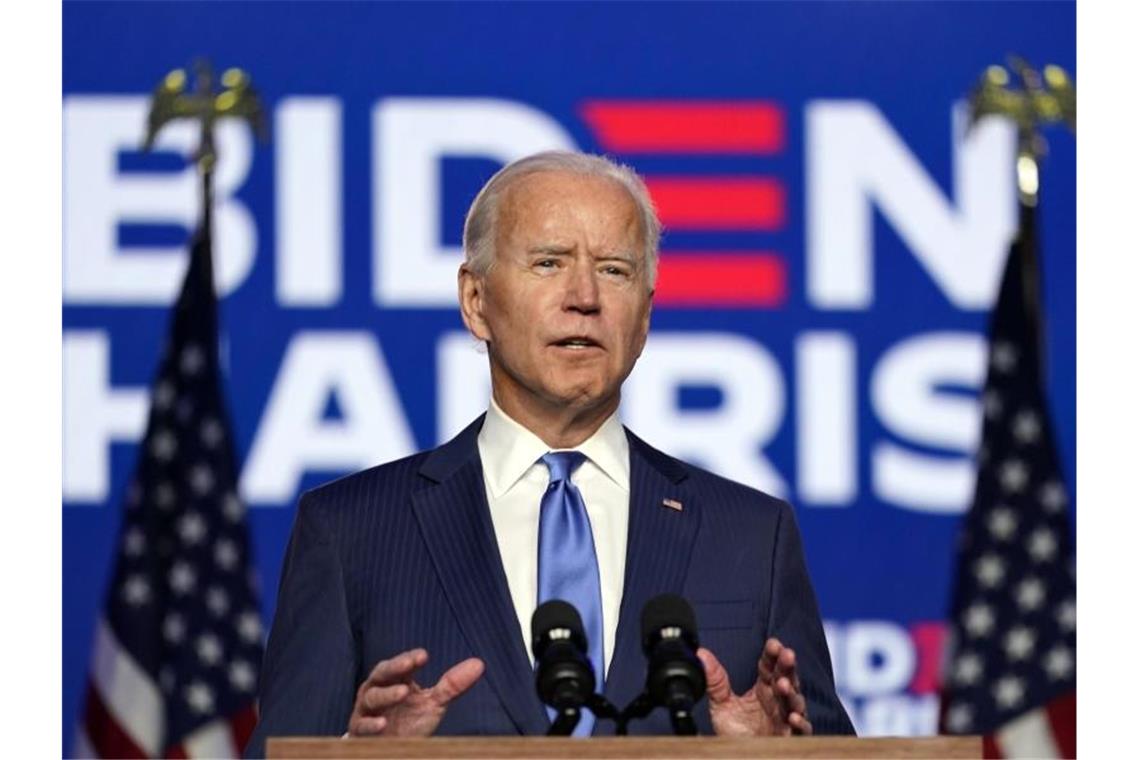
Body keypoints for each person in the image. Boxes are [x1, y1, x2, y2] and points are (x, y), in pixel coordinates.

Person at [246, 151, 853, 756]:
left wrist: (782, 758)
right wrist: (355, 754)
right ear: (476, 300)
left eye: (615, 271)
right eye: (548, 263)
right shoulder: (353, 531)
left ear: (644, 316)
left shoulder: (751, 535)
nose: (584, 296)